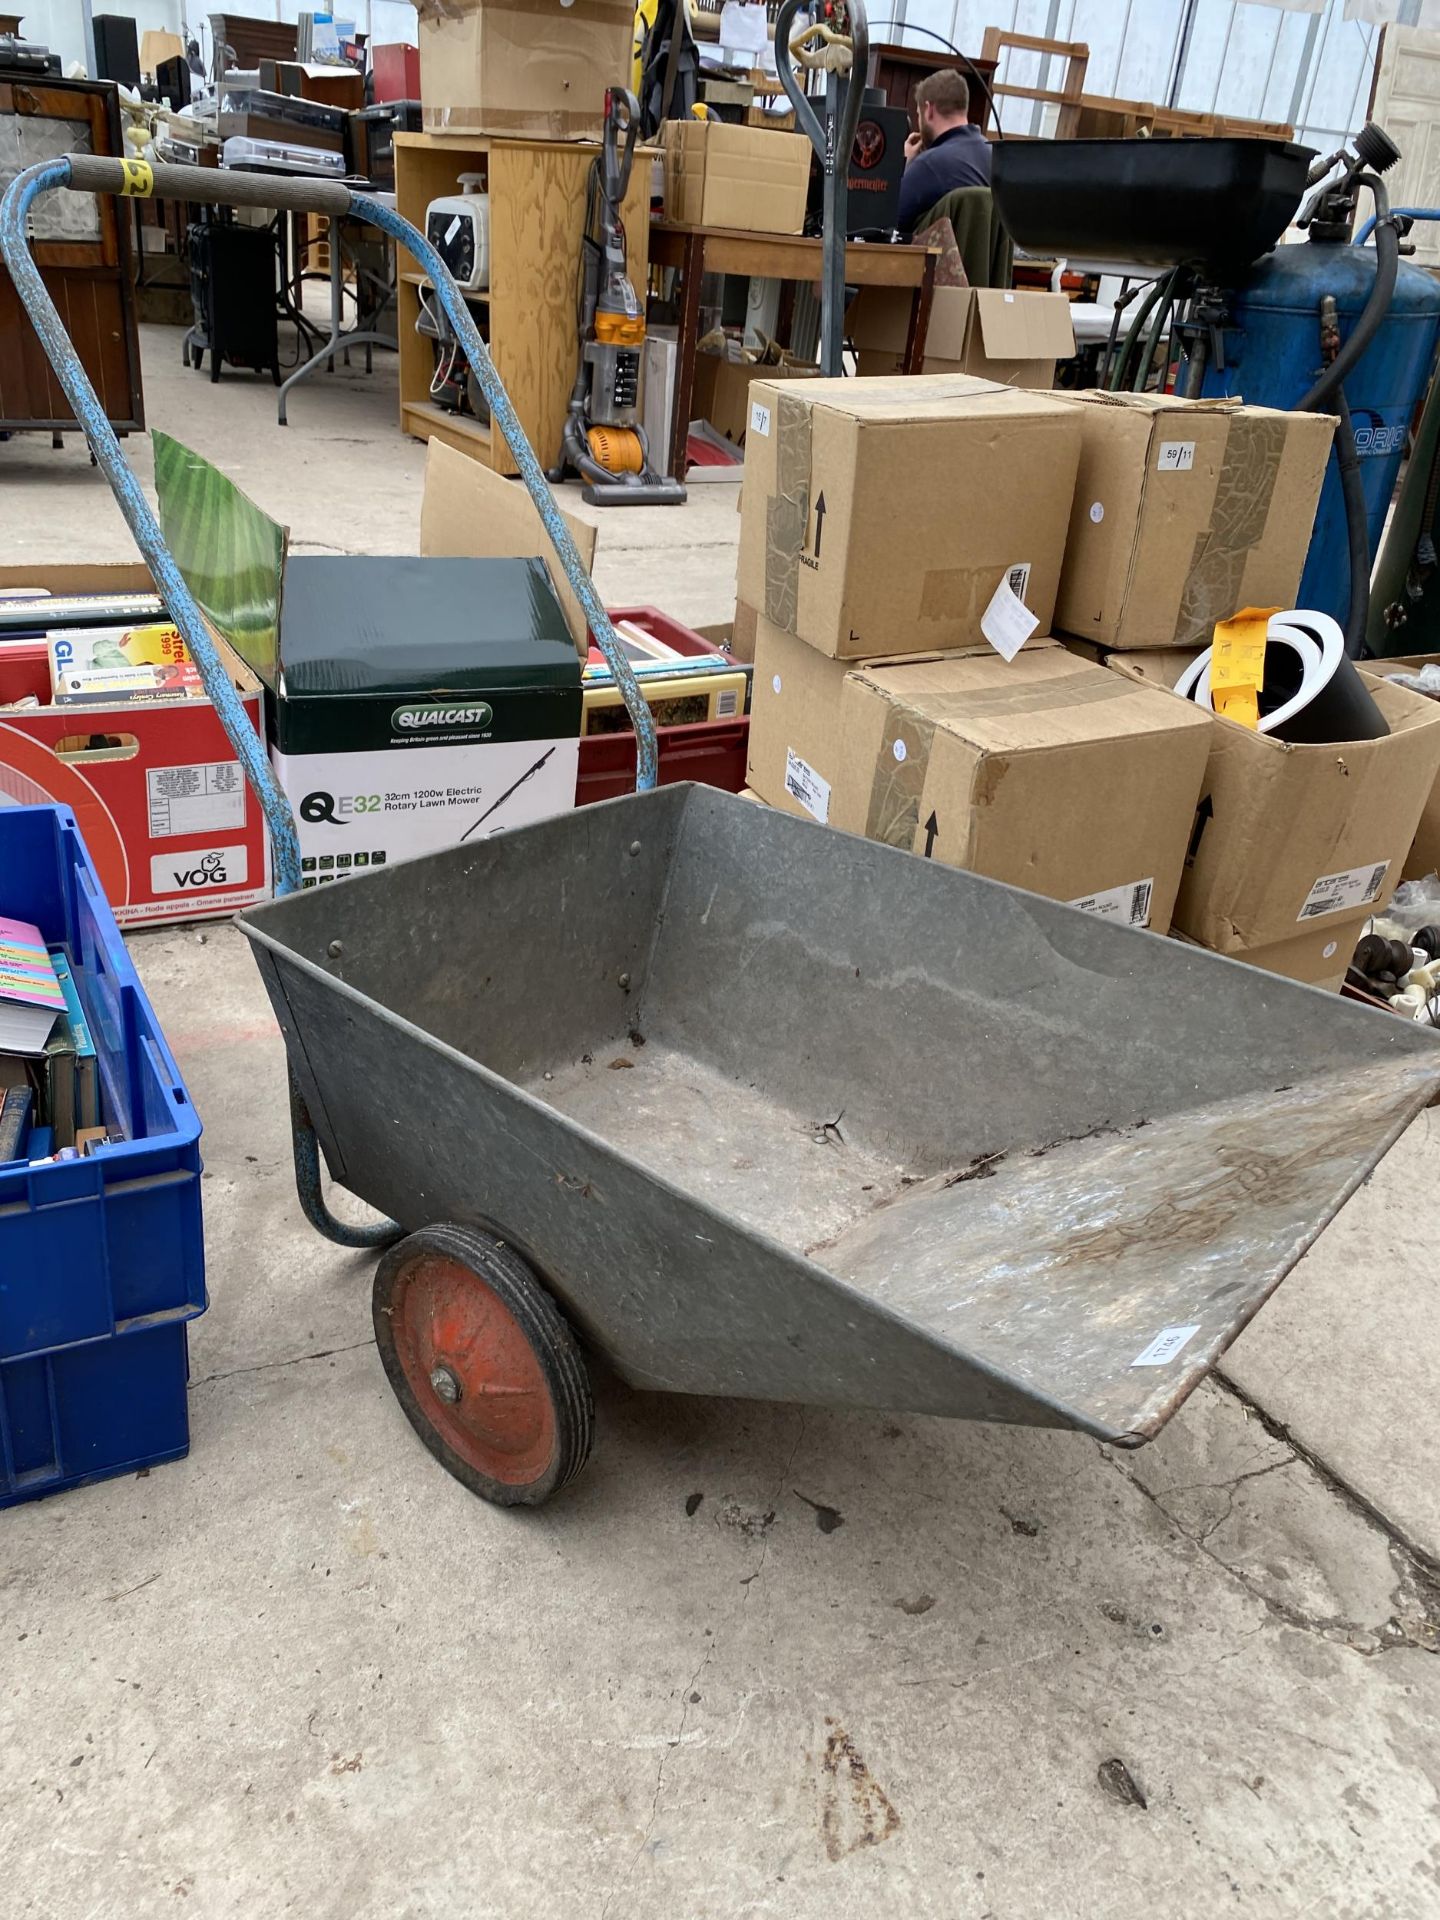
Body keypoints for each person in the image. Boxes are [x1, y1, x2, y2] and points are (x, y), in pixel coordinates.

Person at [897, 68, 991, 235]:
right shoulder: (997, 156)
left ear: (929, 110)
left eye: (919, 114)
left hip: (941, 261)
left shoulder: (928, 165)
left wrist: (905, 165)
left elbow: (888, 226)